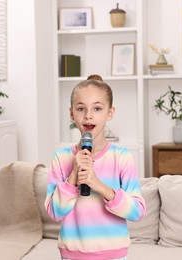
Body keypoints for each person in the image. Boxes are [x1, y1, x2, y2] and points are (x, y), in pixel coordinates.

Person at [45, 74, 146, 260]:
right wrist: (74, 174)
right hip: (72, 255)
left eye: (97, 108)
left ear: (110, 113)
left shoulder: (121, 157)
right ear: (71, 113)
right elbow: (54, 212)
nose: (88, 115)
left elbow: (138, 211)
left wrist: (98, 185)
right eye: (81, 108)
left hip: (113, 255)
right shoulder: (61, 158)